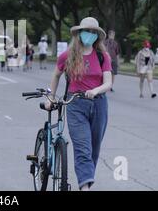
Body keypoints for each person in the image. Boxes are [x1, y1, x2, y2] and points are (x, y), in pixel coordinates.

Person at [49, 17, 112, 191]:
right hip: (75, 104)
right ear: (79, 33)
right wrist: (51, 97)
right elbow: (56, 75)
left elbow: (108, 83)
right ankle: (85, 188)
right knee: (82, 148)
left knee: (93, 150)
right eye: (87, 31)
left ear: (97, 36)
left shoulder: (102, 56)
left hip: (99, 105)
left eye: (93, 32)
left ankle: (85, 181)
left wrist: (96, 90)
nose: (89, 35)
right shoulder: (67, 56)